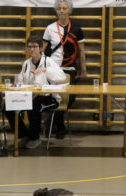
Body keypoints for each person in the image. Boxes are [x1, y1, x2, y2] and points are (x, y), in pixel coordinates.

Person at [5, 35, 67, 150]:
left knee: (34, 105)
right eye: (29, 47)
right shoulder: (26, 64)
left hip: (50, 98)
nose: (31, 49)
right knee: (8, 105)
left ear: (41, 48)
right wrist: (17, 85)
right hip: (30, 96)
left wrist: (46, 70)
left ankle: (35, 138)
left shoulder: (48, 61)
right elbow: (21, 81)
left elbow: (62, 77)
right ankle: (24, 135)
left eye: (34, 46)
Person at [42, 0, 85, 139]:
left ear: (70, 10)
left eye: (64, 8)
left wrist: (83, 69)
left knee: (70, 98)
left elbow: (81, 52)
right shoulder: (50, 28)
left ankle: (52, 121)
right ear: (56, 11)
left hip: (70, 69)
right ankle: (60, 127)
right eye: (59, 8)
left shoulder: (77, 30)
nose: (62, 10)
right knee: (56, 98)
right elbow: (43, 51)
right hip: (53, 70)